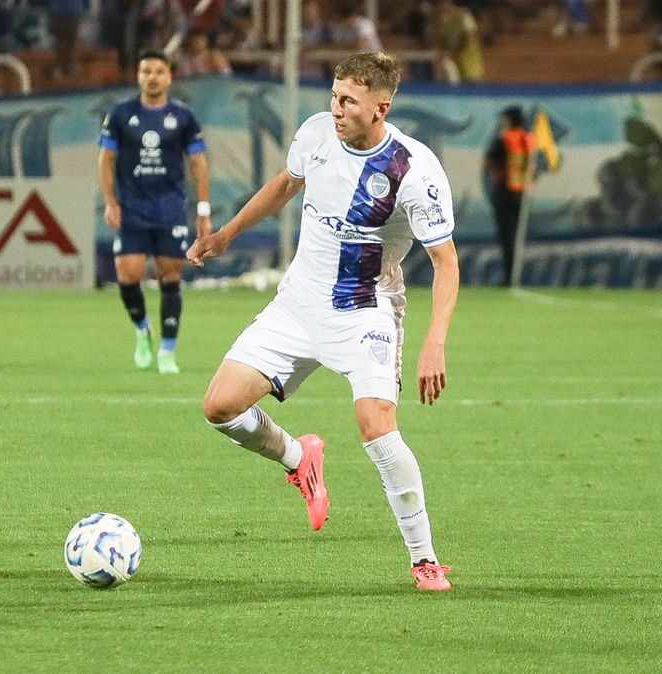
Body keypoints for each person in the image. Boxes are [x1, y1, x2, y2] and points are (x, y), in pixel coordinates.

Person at [187, 52, 459, 591]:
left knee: (376, 425)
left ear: (381, 108)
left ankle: (424, 558)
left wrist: (435, 343)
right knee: (220, 407)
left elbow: (445, 262)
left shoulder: (414, 170)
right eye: (334, 96)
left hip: (365, 310)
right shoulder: (315, 133)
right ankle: (298, 457)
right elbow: (284, 185)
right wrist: (225, 235)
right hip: (297, 304)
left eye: (348, 101)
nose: (335, 109)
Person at [98, 50, 212, 374]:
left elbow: (198, 164)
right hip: (132, 208)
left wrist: (203, 210)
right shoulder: (121, 114)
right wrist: (110, 201)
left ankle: (167, 351)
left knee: (171, 277)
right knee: (127, 276)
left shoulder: (183, 117)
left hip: (169, 209)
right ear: (138, 76)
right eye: (146, 71)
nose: (152, 77)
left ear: (169, 77)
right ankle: (142, 330)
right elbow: (106, 159)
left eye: (159, 71)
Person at [484, 105, 533, 287]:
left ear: (510, 119)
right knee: (517, 236)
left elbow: (489, 161)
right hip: (522, 193)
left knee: (505, 235)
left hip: (504, 191)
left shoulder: (504, 139)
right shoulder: (528, 139)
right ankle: (515, 274)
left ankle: (508, 276)